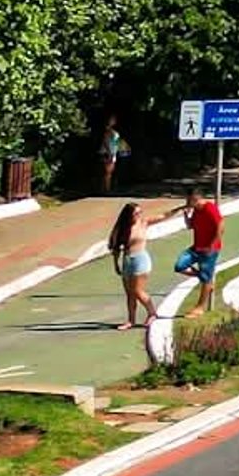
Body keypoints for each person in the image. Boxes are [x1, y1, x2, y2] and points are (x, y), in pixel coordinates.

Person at [107, 202, 156, 331]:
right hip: (127, 260)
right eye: (136, 213)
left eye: (140, 212)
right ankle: (131, 320)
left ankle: (152, 313)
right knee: (130, 293)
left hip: (140, 259)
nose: (139, 215)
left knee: (138, 291)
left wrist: (181, 208)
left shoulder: (143, 223)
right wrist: (116, 264)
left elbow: (163, 216)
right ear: (128, 216)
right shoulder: (122, 228)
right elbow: (116, 248)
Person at [175, 187, 224, 314]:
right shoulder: (196, 210)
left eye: (188, 200)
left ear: (196, 199)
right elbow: (190, 225)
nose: (187, 203)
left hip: (209, 250)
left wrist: (212, 245)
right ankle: (204, 279)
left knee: (206, 277)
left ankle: (200, 307)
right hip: (197, 247)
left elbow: (220, 226)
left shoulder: (210, 208)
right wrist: (186, 214)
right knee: (180, 265)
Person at [99, 117, 129, 194]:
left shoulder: (115, 132)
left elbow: (117, 142)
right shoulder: (108, 131)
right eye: (111, 120)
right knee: (108, 172)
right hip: (107, 153)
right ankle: (106, 189)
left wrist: (122, 148)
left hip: (113, 153)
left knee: (110, 172)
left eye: (113, 120)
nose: (113, 121)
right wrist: (109, 153)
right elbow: (105, 142)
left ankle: (108, 188)